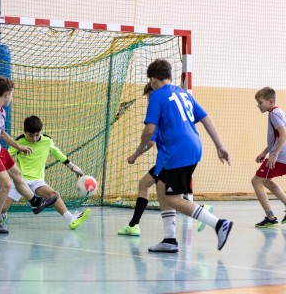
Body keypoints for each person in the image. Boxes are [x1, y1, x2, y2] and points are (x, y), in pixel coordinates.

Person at [128, 58, 233, 253]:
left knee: (175, 199)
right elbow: (205, 118)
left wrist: (140, 148)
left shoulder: (157, 96)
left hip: (179, 151)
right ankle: (169, 239)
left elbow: (149, 130)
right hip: (192, 145)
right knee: (161, 187)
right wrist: (220, 146)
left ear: (152, 80)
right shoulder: (183, 94)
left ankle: (219, 224)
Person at [0, 76, 58, 234]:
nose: (12, 98)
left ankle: (35, 202)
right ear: (6, 94)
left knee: (17, 174)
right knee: (6, 184)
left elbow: (1, 133)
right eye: (12, 94)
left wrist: (18, 146)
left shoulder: (1, 112)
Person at [119, 83, 213, 237]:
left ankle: (202, 212)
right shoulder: (170, 108)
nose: (149, 100)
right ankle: (135, 225)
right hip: (171, 159)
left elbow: (150, 141)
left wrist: (135, 155)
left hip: (167, 162)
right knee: (150, 186)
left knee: (170, 197)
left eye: (149, 96)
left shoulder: (159, 111)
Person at [0, 115, 91, 230]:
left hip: (37, 181)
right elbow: (3, 158)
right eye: (31, 135)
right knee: (2, 208)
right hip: (19, 181)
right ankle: (1, 216)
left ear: (40, 132)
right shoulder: (18, 142)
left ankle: (71, 219)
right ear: (25, 132)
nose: (34, 139)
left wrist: (72, 167)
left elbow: (58, 154)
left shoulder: (47, 141)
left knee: (54, 195)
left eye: (37, 135)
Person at [251, 87, 286, 228]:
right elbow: (277, 137)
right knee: (266, 182)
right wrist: (265, 152)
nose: (258, 106)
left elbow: (283, 133)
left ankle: (270, 217)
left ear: (270, 101)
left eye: (260, 102)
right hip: (280, 155)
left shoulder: (274, 114)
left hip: (280, 156)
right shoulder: (278, 112)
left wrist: (274, 154)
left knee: (256, 182)